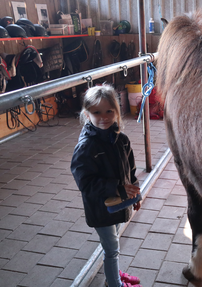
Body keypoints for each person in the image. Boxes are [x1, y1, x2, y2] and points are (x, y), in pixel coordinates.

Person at [71, 84, 142, 287]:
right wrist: (117, 189)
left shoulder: (122, 139)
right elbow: (86, 183)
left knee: (114, 241)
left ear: (117, 111)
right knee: (111, 248)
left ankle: (114, 274)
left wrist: (135, 195)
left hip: (119, 204)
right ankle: (114, 284)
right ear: (87, 114)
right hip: (100, 208)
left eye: (109, 111)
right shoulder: (86, 147)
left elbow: (131, 170)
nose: (104, 117)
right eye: (96, 112)